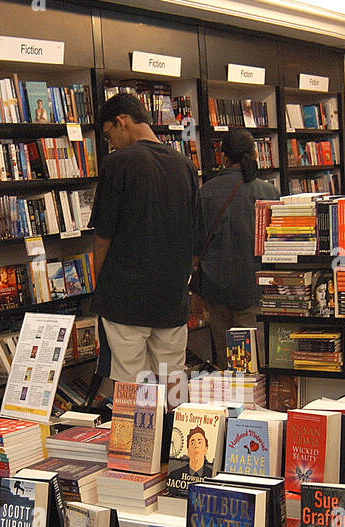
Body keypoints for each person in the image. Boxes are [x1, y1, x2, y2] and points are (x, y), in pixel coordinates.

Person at [88, 93, 202, 385]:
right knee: (173, 381)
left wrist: (100, 287)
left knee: (130, 386)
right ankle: (175, 430)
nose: (111, 143)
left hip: (124, 298)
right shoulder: (185, 166)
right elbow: (195, 239)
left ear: (121, 121)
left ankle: (133, 433)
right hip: (171, 299)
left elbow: (103, 239)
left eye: (109, 134)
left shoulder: (118, 163)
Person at [197, 129, 279, 370]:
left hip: (215, 289)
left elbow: (196, 243)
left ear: (223, 157)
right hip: (253, 288)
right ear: (255, 154)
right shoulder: (268, 192)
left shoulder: (206, 192)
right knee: (251, 363)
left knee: (227, 365)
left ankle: (230, 404)